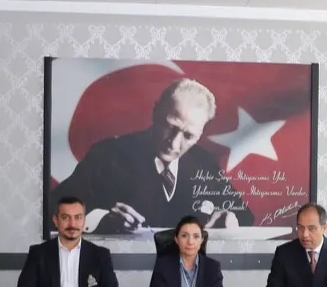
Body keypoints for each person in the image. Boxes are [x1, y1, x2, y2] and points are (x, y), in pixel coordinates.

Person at [53, 78, 254, 234]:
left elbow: (245, 217)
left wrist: (230, 217)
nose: (174, 143)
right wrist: (100, 220)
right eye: (169, 126)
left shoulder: (204, 162)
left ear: (201, 133)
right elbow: (53, 209)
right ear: (155, 112)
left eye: (188, 136)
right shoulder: (107, 155)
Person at [13, 197, 121, 287]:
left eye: (78, 217)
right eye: (65, 218)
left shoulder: (100, 255)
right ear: (56, 220)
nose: (72, 224)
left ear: (84, 220)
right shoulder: (38, 254)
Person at [147, 215, 225, 287]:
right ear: (176, 240)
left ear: (201, 240)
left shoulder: (213, 267)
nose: (190, 242)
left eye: (196, 236)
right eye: (184, 236)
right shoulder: (163, 265)